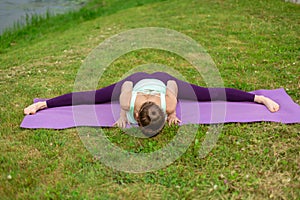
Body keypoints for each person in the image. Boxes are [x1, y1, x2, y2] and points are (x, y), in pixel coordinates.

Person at [24, 72, 279, 136]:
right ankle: (43, 104)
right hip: (133, 83)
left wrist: (172, 114)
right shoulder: (127, 100)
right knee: (89, 96)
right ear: (137, 112)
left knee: (209, 93)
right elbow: (125, 87)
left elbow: (174, 86)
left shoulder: (169, 103)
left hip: (166, 83)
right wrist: (123, 113)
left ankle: (258, 98)